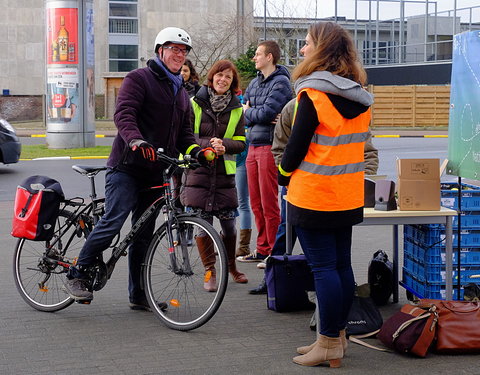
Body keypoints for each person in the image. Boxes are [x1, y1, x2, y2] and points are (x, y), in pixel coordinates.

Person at [62, 27, 214, 310]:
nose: (179, 55)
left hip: (157, 172)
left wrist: (197, 152)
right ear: (160, 51)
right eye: (173, 49)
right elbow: (124, 113)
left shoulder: (181, 92)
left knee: (143, 234)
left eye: (183, 51)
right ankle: (77, 274)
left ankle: (138, 294)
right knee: (114, 219)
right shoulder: (139, 78)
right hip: (127, 166)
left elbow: (185, 135)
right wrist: (135, 139)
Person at [277, 22, 374, 367]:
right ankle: (338, 337)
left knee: (323, 271)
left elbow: (294, 149)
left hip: (314, 196)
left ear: (321, 50)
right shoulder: (359, 95)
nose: (302, 50)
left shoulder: (313, 94)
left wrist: (282, 174)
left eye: (306, 44)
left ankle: (328, 343)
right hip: (347, 196)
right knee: (341, 267)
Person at [248, 97, 379, 294]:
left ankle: (333, 316)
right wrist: (288, 179)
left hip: (336, 196)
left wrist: (363, 182)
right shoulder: (295, 107)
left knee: (329, 266)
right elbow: (280, 149)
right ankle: (273, 279)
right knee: (289, 233)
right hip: (302, 190)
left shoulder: (354, 107)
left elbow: (368, 153)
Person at [181, 59, 248, 290]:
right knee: (202, 226)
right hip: (198, 172)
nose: (223, 80)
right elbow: (185, 135)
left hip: (224, 176)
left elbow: (241, 142)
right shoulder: (194, 103)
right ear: (212, 77)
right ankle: (209, 271)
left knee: (229, 226)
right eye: (220, 75)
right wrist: (208, 145)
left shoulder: (237, 108)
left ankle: (231, 267)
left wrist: (225, 146)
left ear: (232, 82)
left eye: (228, 77)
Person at [237, 40, 293, 263]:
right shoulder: (254, 83)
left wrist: (251, 112)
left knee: (269, 203)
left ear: (270, 57)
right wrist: (253, 113)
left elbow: (264, 112)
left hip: (270, 148)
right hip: (253, 146)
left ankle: (273, 252)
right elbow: (247, 112)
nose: (254, 58)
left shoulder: (281, 83)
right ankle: (261, 249)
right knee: (256, 203)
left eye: (258, 54)